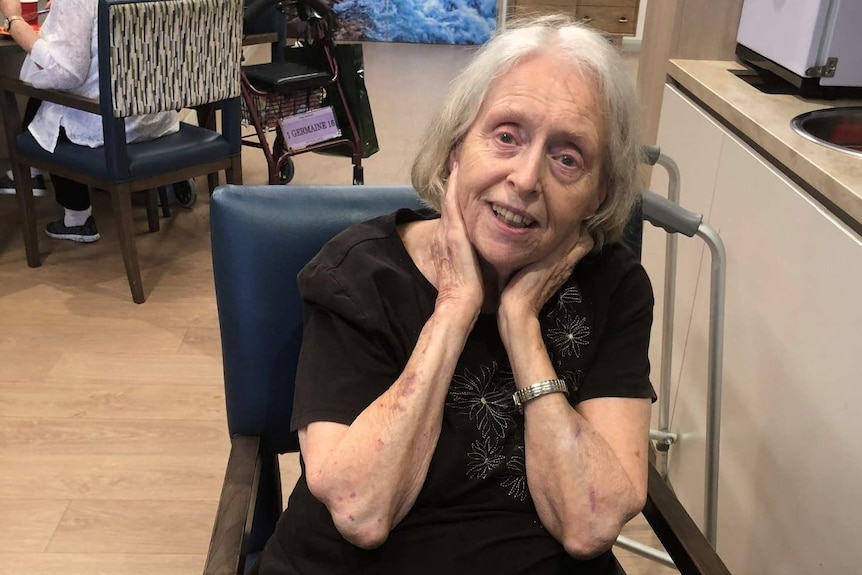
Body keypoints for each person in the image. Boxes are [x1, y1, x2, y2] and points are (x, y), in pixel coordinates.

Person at [252, 14, 653, 575]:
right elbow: (361, 511)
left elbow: (590, 525)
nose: (527, 177)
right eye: (507, 135)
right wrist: (455, 308)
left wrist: (520, 326)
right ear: (454, 149)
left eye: (568, 157)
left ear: (599, 193)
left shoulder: (614, 287)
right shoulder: (358, 276)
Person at [0, 0, 179, 242]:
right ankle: (34, 174)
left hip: (110, 125)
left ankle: (75, 216)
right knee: (51, 98)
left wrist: (14, 20)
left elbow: (65, 74)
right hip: (155, 116)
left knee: (51, 100)